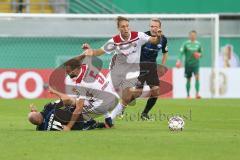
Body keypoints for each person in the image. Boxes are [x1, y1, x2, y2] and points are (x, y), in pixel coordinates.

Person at [82, 16, 162, 119]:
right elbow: (99, 52)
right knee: (107, 96)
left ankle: (111, 118)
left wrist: (159, 36)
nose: (126, 29)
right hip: (116, 71)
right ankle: (85, 110)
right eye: (123, 27)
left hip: (132, 72)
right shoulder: (114, 41)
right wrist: (90, 50)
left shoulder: (138, 36)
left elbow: (154, 41)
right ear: (118, 28)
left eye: (127, 26)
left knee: (127, 96)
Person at [61, 57, 120, 131]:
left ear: (76, 69)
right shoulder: (87, 66)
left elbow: (78, 109)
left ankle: (90, 123)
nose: (67, 73)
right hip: (114, 98)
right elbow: (86, 54)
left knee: (75, 112)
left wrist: (69, 127)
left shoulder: (81, 83)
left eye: (69, 71)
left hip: (104, 104)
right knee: (91, 97)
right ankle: (108, 120)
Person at [135, 18, 168, 120]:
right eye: (151, 26)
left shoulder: (163, 39)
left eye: (155, 26)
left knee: (155, 92)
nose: (153, 28)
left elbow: (165, 52)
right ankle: (122, 106)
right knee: (138, 93)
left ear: (159, 28)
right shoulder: (144, 37)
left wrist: (162, 65)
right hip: (141, 66)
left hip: (152, 67)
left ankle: (144, 114)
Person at [28, 98, 105, 131]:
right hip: (76, 119)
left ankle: (94, 124)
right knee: (73, 106)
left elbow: (37, 120)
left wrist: (34, 113)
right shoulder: (48, 108)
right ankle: (93, 121)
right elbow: (63, 101)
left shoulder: (41, 129)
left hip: (75, 127)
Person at [176, 30, 203, 99]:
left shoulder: (198, 44)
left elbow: (202, 54)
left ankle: (197, 94)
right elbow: (181, 53)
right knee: (189, 79)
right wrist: (179, 61)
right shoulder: (185, 44)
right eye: (191, 35)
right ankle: (188, 95)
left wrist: (199, 54)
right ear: (189, 36)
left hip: (196, 64)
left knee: (197, 77)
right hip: (188, 64)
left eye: (194, 35)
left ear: (196, 36)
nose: (193, 36)